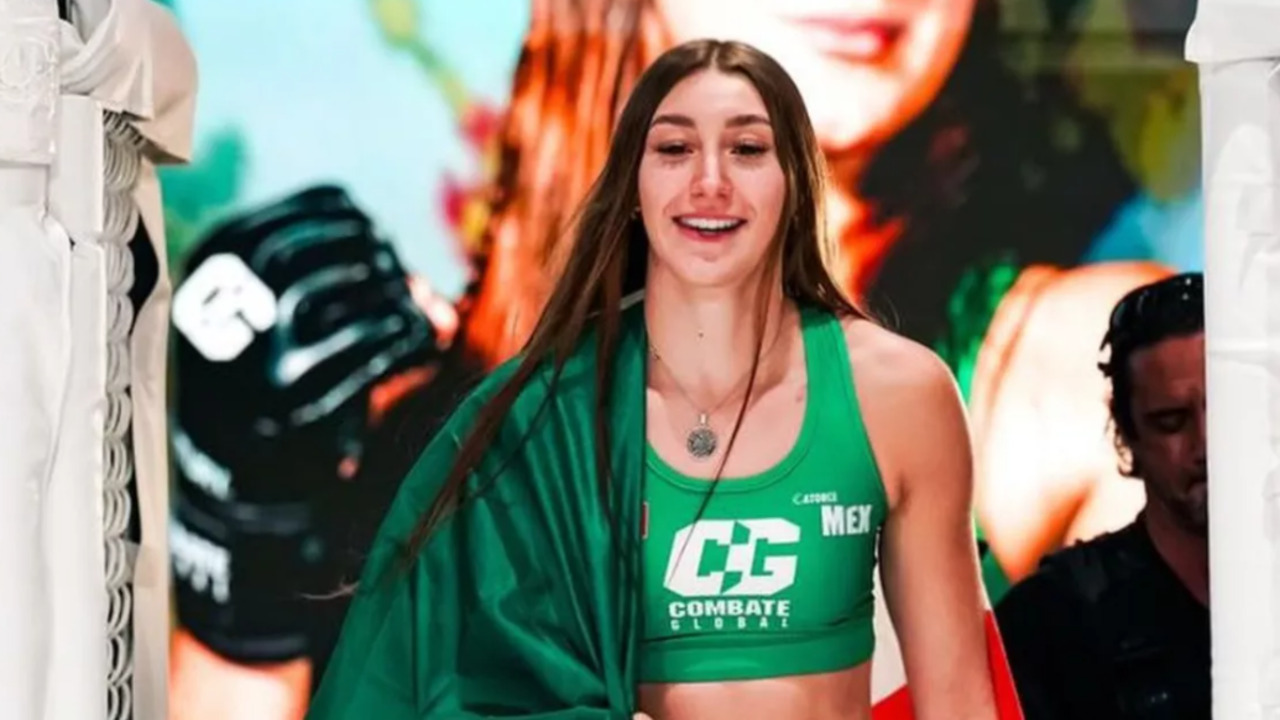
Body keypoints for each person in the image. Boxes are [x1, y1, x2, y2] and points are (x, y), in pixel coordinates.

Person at [306, 39, 1002, 720]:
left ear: (795, 182)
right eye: (674, 149)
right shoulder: (539, 421)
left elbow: (962, 703)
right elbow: (413, 685)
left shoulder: (899, 395)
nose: (710, 181)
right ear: (633, 188)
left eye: (747, 148)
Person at [995, 272, 1209, 720]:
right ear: (1126, 434)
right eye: (1171, 421)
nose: (1206, 444)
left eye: (1230, 408)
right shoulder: (1050, 622)